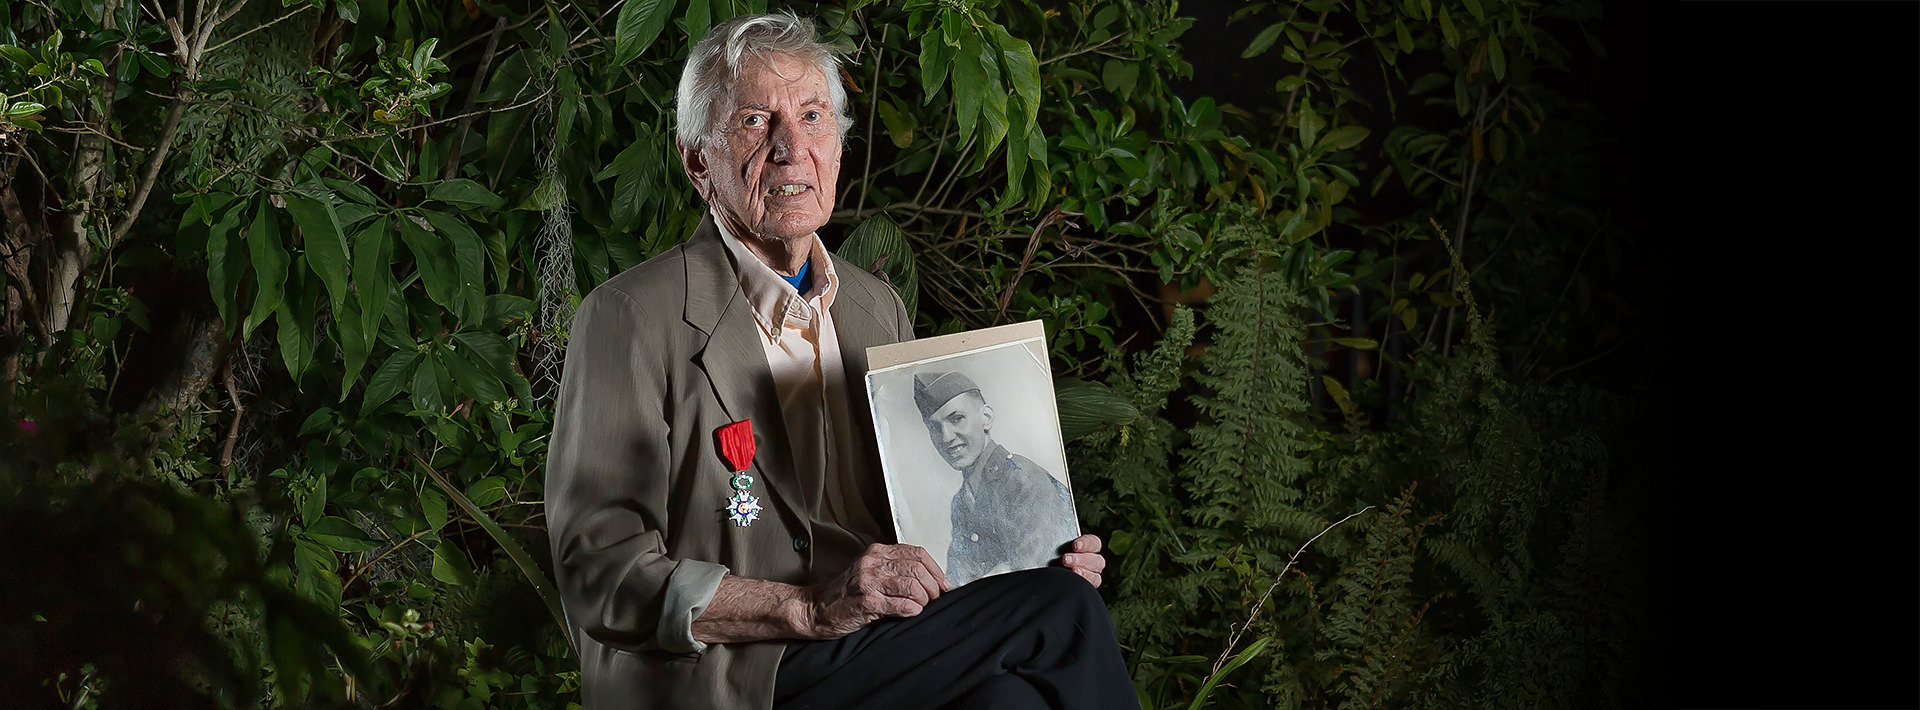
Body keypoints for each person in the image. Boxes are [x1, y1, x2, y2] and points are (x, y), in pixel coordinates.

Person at [543, 12, 1138, 710]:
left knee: (1014, 699)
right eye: (756, 122)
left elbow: (919, 527)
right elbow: (598, 571)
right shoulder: (630, 317)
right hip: (733, 673)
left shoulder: (874, 306)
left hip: (875, 649)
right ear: (698, 160)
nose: (792, 149)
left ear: (838, 145)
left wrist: (1033, 555)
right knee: (1063, 614)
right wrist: (807, 608)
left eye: (812, 117)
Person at [913, 371, 1080, 586]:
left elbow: (1037, 578)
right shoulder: (962, 500)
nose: (946, 437)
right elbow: (956, 582)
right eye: (935, 427)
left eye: (956, 419)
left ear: (986, 418)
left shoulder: (1023, 480)